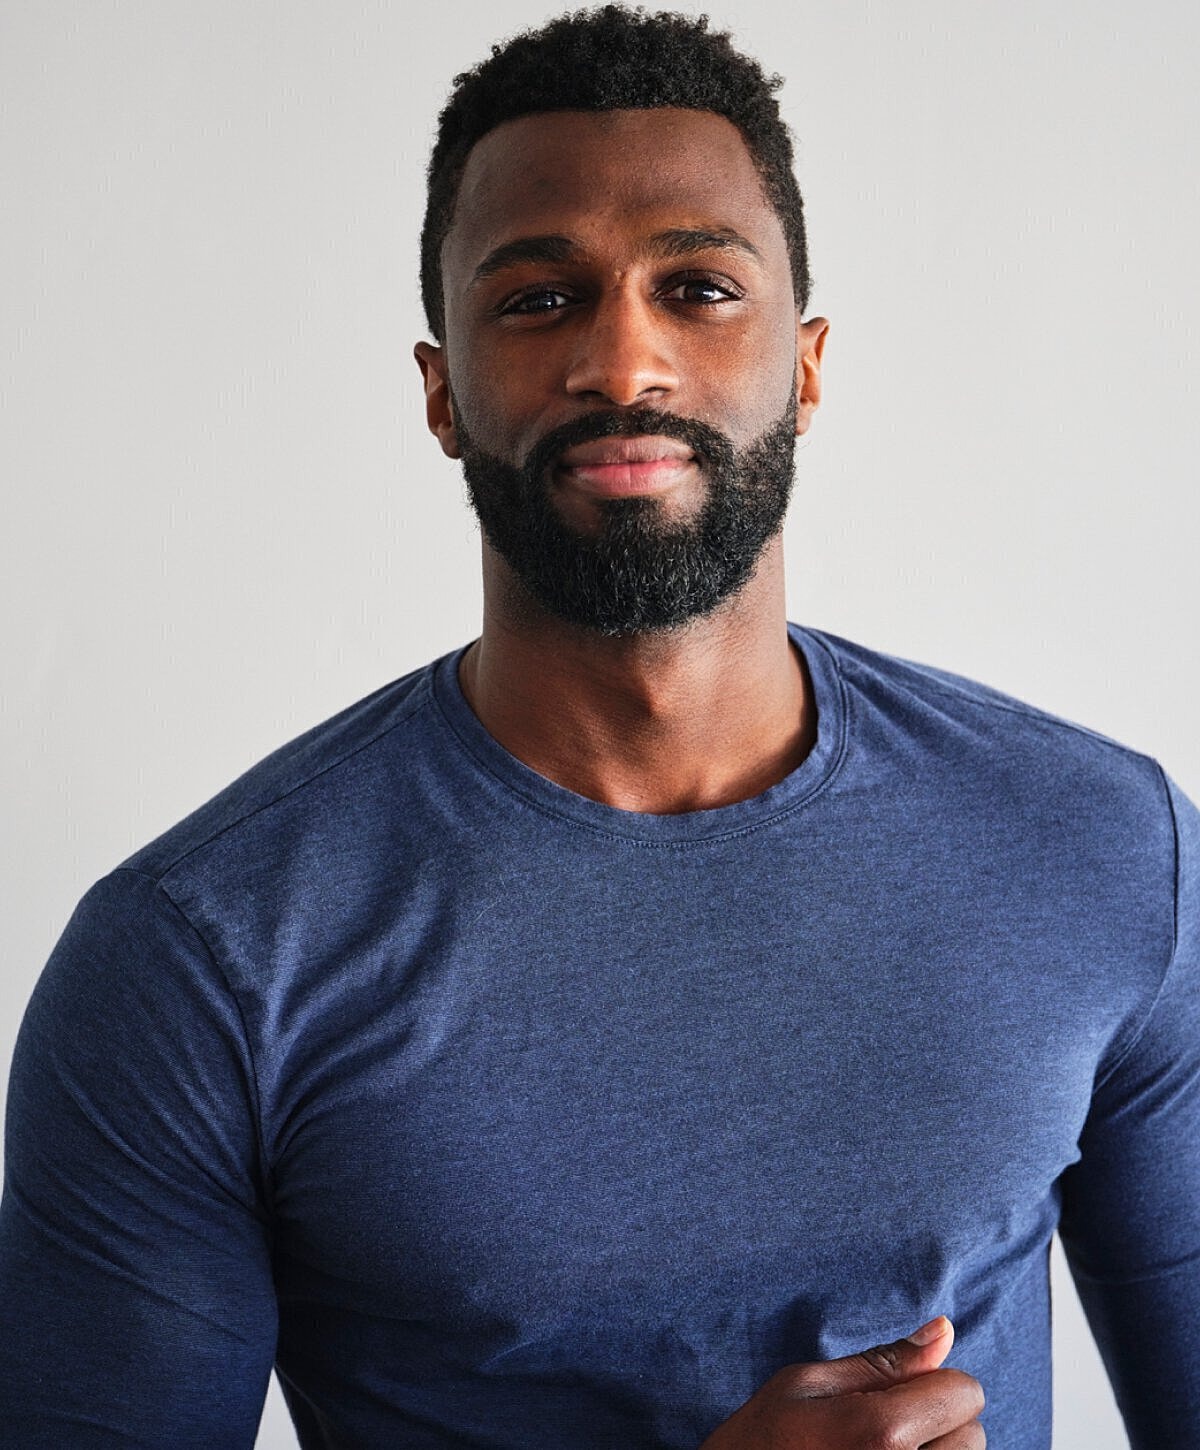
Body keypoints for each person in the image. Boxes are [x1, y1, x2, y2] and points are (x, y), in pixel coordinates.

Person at [1, 5, 1197, 1446]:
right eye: (538, 298)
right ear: (442, 391)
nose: (623, 362)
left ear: (806, 365)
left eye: (696, 289)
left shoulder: (1101, 847)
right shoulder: (198, 959)